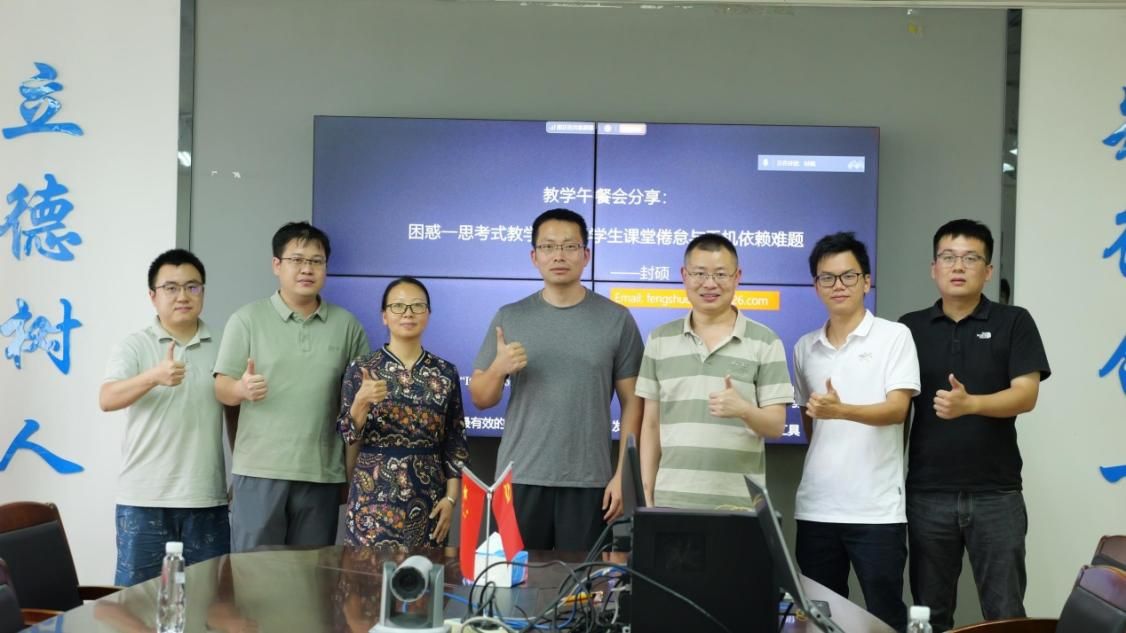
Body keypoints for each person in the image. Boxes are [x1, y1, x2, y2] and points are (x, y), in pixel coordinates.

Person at [899, 219, 1051, 632]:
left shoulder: (1014, 321)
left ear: (987, 270)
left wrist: (971, 405)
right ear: (933, 268)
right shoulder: (908, 328)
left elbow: (1026, 395)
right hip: (928, 492)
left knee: (1005, 613)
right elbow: (897, 406)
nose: (958, 266)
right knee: (929, 614)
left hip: (996, 493)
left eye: (970, 258)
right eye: (948, 257)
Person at [469, 208, 644, 551]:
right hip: (520, 477)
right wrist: (498, 368)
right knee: (513, 579)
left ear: (586, 255)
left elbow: (633, 404)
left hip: (589, 481)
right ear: (534, 257)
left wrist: (623, 476)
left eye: (569, 246)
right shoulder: (510, 316)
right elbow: (481, 398)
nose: (559, 256)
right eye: (548, 247)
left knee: (580, 582)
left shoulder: (616, 319)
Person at [214, 221, 370, 552]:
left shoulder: (347, 326)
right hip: (259, 471)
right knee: (254, 573)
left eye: (316, 261)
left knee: (310, 576)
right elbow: (221, 388)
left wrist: (349, 473)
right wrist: (241, 389)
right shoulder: (247, 319)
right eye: (297, 260)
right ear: (276, 265)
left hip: (321, 474)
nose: (306, 269)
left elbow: (358, 405)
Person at [791, 232, 919, 633]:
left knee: (884, 617)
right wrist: (829, 420)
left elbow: (897, 410)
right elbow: (810, 421)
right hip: (816, 507)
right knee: (819, 619)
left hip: (876, 510)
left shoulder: (894, 336)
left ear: (867, 281)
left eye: (848, 276)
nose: (838, 285)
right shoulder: (805, 347)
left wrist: (840, 410)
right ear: (816, 286)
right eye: (827, 278)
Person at [99, 248, 229, 585]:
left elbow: (233, 411)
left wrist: (239, 476)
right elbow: (107, 398)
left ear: (203, 292)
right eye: (171, 288)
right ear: (152, 296)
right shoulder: (134, 345)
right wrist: (153, 376)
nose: (183, 296)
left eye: (192, 287)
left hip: (205, 495)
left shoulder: (224, 344)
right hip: (143, 498)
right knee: (135, 601)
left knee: (208, 599)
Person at [636, 233, 793, 509]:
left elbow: (776, 426)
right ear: (684, 276)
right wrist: (646, 493)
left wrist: (743, 410)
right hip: (670, 501)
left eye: (721, 274)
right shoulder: (660, 339)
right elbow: (650, 424)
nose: (709, 283)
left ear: (737, 277)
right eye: (699, 273)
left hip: (739, 505)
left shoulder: (766, 341)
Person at [336, 277, 469, 548]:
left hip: (429, 495)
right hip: (373, 495)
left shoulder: (445, 372)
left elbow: (455, 441)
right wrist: (360, 403)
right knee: (367, 573)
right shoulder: (363, 368)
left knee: (425, 571)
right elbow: (348, 434)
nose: (408, 313)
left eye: (417, 306)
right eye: (398, 306)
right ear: (384, 316)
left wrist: (451, 498)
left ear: (428, 314)